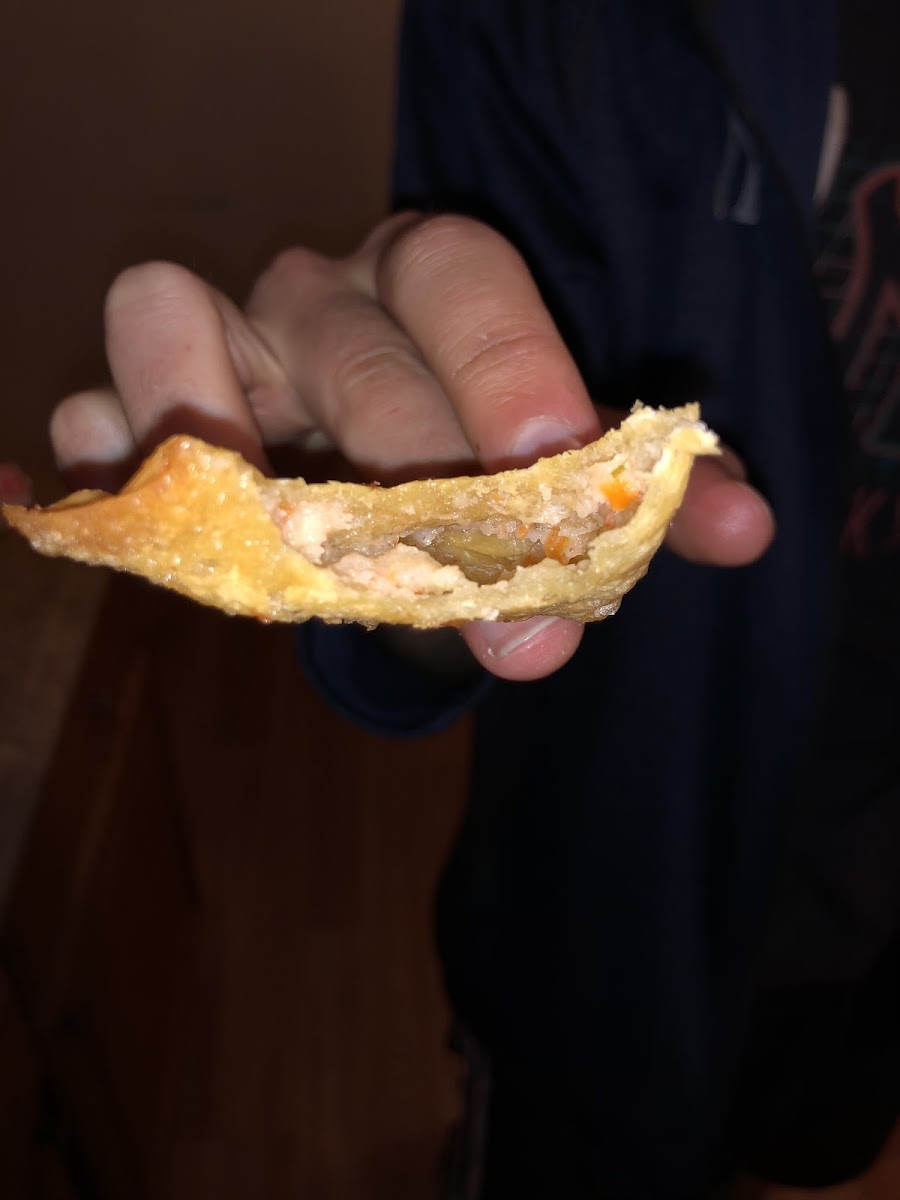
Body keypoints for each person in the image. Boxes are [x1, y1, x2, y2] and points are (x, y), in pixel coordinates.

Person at [46, 0, 900, 1195]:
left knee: (806, 1150)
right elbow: (440, 369)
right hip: (609, 929)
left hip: (868, 953)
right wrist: (415, 528)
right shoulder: (535, 29)